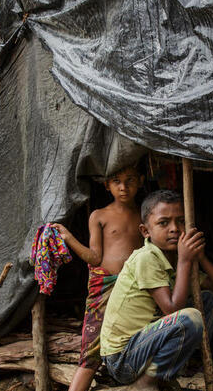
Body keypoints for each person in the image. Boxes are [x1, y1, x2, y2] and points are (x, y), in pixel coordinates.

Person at [100, 190, 213, 391]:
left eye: (181, 221)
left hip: (146, 347)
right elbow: (173, 310)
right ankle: (146, 383)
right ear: (146, 231)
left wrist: (200, 258)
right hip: (123, 358)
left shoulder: (178, 261)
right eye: (164, 223)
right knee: (190, 318)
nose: (175, 229)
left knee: (209, 300)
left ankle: (176, 366)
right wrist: (185, 260)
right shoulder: (147, 257)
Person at [54, 165, 145, 391]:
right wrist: (68, 237)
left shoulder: (146, 216)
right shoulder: (99, 216)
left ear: (141, 181)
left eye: (130, 180)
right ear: (106, 185)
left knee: (138, 340)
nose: (123, 187)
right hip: (104, 288)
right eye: (116, 181)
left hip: (135, 290)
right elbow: (94, 258)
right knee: (91, 351)